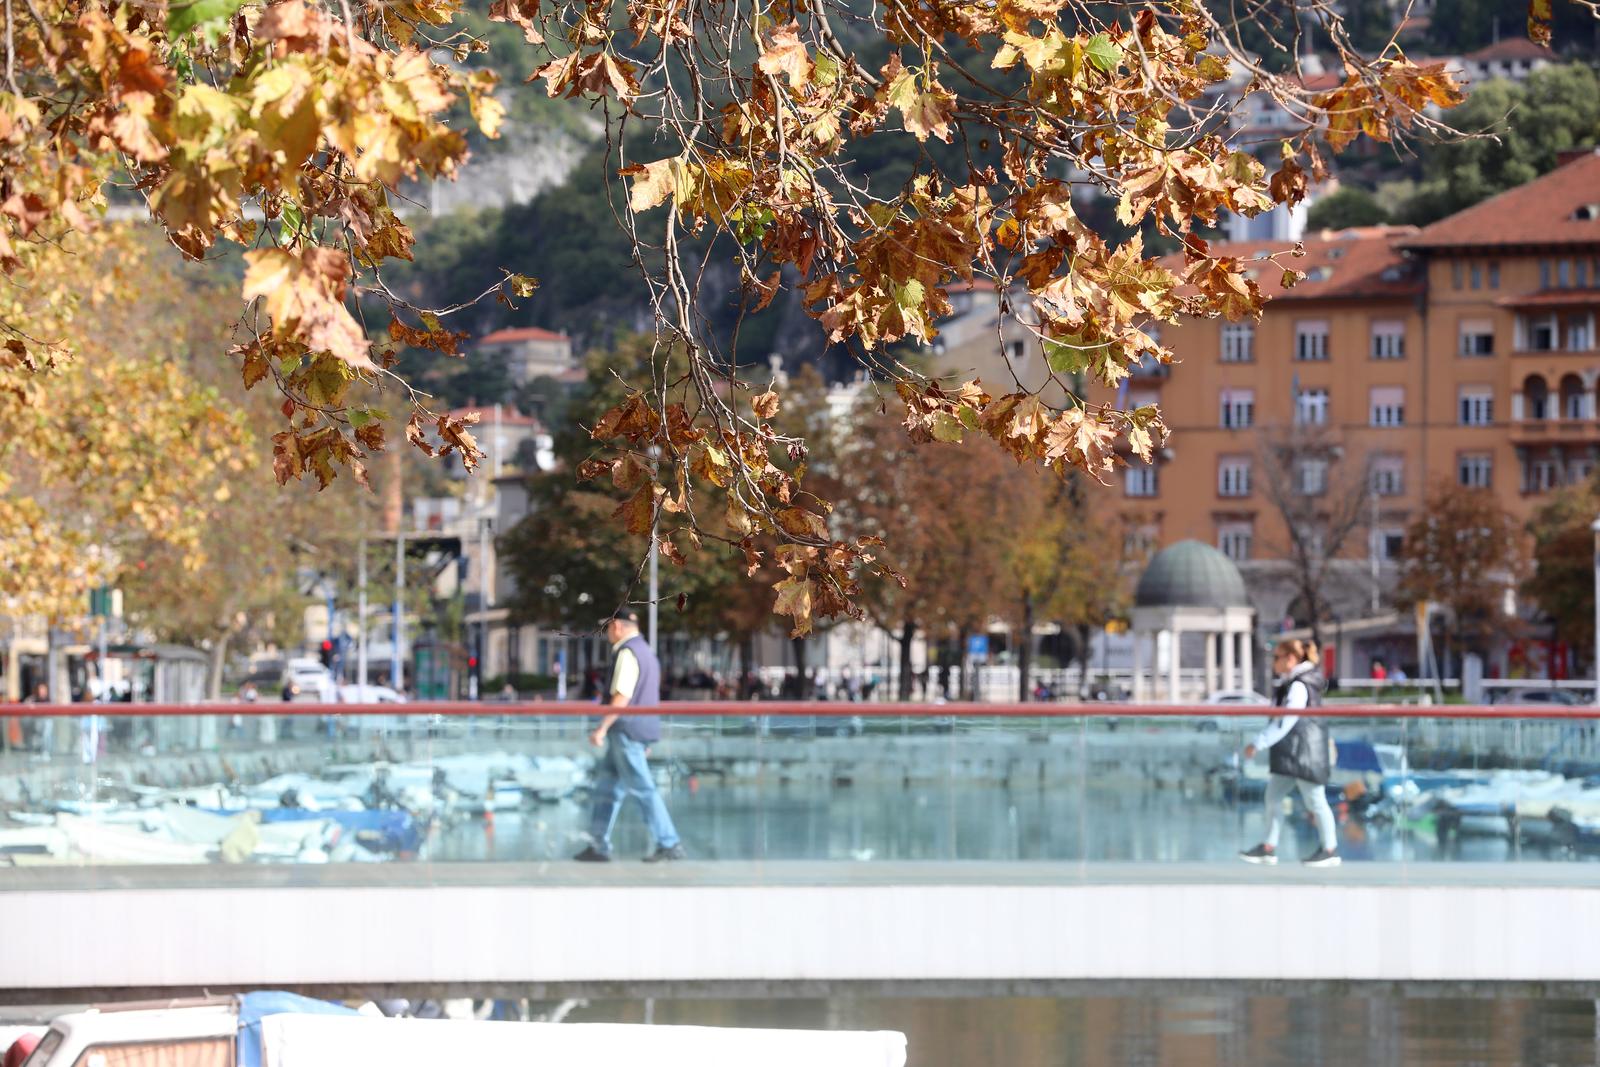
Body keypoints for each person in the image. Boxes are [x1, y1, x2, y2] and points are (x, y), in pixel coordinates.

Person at [575, 608, 684, 863]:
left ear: (617, 626)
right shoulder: (647, 652)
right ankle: (597, 844)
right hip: (637, 730)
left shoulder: (627, 652)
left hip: (625, 731)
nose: (606, 634)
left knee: (643, 789)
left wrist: (602, 727)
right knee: (607, 789)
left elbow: (622, 696)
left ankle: (669, 843)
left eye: (607, 628)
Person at [1239, 638, 1341, 868]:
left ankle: (1330, 849)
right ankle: (1268, 847)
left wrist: (1258, 742)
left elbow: (1287, 720)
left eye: (1276, 657)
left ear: (1291, 659)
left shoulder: (1299, 685)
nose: (1273, 662)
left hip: (1304, 753)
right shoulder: (1295, 682)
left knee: (1315, 800)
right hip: (1293, 753)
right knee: (1273, 797)